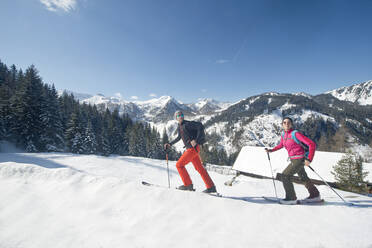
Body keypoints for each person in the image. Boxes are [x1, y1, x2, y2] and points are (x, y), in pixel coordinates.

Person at [266, 117, 321, 204]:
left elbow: (311, 144)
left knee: (285, 175)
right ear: (282, 125)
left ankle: (291, 198)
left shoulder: (295, 134)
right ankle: (315, 195)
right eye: (284, 122)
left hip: (299, 159)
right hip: (293, 159)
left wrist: (309, 159)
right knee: (303, 177)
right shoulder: (284, 135)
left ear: (291, 124)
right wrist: (271, 150)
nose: (286, 124)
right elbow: (281, 145)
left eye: (288, 122)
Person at [164, 110, 217, 193]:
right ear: (176, 118)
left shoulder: (187, 124)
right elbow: (179, 137)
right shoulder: (180, 126)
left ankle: (188, 185)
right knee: (200, 169)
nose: (180, 117)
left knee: (179, 165)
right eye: (178, 116)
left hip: (192, 149)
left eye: (181, 115)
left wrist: (196, 140)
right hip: (193, 150)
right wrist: (170, 144)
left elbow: (200, 126)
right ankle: (211, 187)